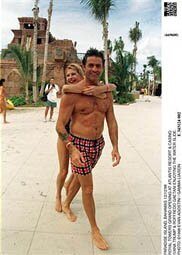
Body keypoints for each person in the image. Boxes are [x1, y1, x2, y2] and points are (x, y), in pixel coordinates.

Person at [56, 48, 121, 250]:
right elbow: (59, 125)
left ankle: (66, 203)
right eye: (90, 65)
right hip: (79, 145)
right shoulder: (73, 94)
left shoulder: (106, 94)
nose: (94, 69)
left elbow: (111, 121)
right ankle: (95, 230)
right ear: (84, 67)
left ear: (102, 68)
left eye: (98, 65)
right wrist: (72, 149)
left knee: (78, 179)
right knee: (88, 187)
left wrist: (115, 146)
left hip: (97, 144)